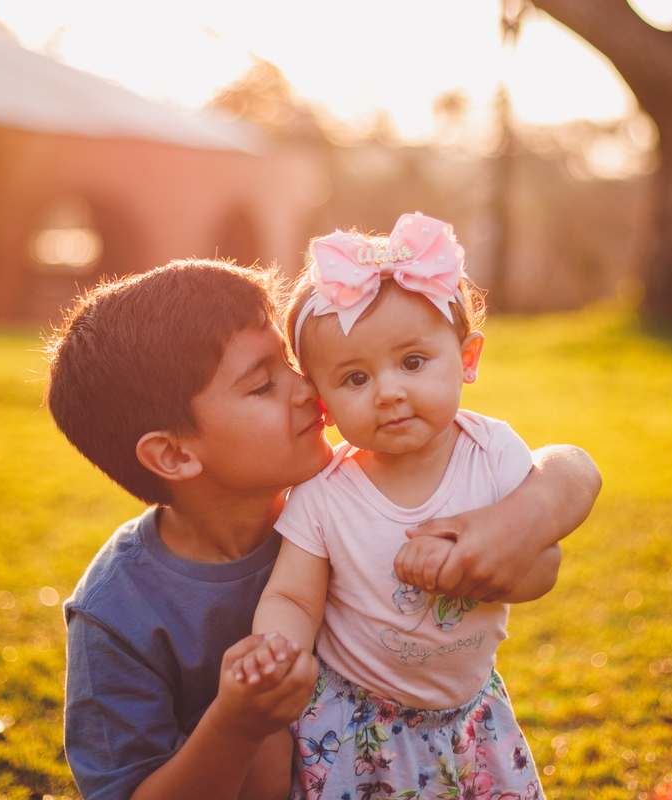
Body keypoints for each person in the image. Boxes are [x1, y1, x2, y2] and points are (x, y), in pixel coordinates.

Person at [44, 258, 600, 800]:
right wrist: (236, 724)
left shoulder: (353, 492)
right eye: (264, 384)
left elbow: (568, 471)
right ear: (173, 453)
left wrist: (518, 524)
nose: (310, 389)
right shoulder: (116, 615)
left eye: (292, 363)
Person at [242, 213, 567, 800]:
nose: (389, 391)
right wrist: (278, 645)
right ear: (323, 403)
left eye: (413, 363)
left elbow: (544, 563)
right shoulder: (324, 494)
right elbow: (292, 594)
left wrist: (489, 564)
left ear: (467, 358)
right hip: (359, 721)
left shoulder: (492, 453)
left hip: (470, 713)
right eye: (356, 378)